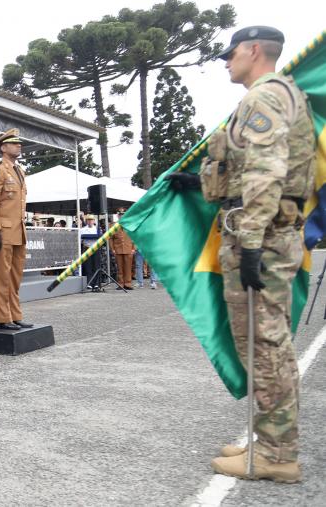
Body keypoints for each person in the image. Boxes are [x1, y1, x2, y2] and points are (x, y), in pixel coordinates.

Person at [166, 26, 313, 483]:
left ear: (254, 51)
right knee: (267, 345)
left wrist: (249, 242)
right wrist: (204, 185)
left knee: (265, 346)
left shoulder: (263, 98)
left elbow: (266, 173)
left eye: (231, 54)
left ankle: (276, 454)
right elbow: (253, 167)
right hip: (272, 232)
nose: (226, 62)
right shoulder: (283, 95)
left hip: (262, 238)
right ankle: (270, 438)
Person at [0, 129, 32, 330]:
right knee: (2, 277)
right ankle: (3, 318)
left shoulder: (19, 171)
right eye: (14, 143)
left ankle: (15, 315)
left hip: (18, 232)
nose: (19, 145)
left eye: (19, 143)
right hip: (2, 231)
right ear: (4, 147)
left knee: (15, 277)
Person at [109, 208, 134, 290]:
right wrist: (112, 249)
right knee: (120, 268)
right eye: (120, 215)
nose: (122, 216)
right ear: (118, 216)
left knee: (128, 268)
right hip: (118, 249)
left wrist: (134, 248)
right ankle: (121, 284)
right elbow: (111, 238)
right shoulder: (113, 225)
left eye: (123, 215)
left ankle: (128, 283)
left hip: (128, 248)